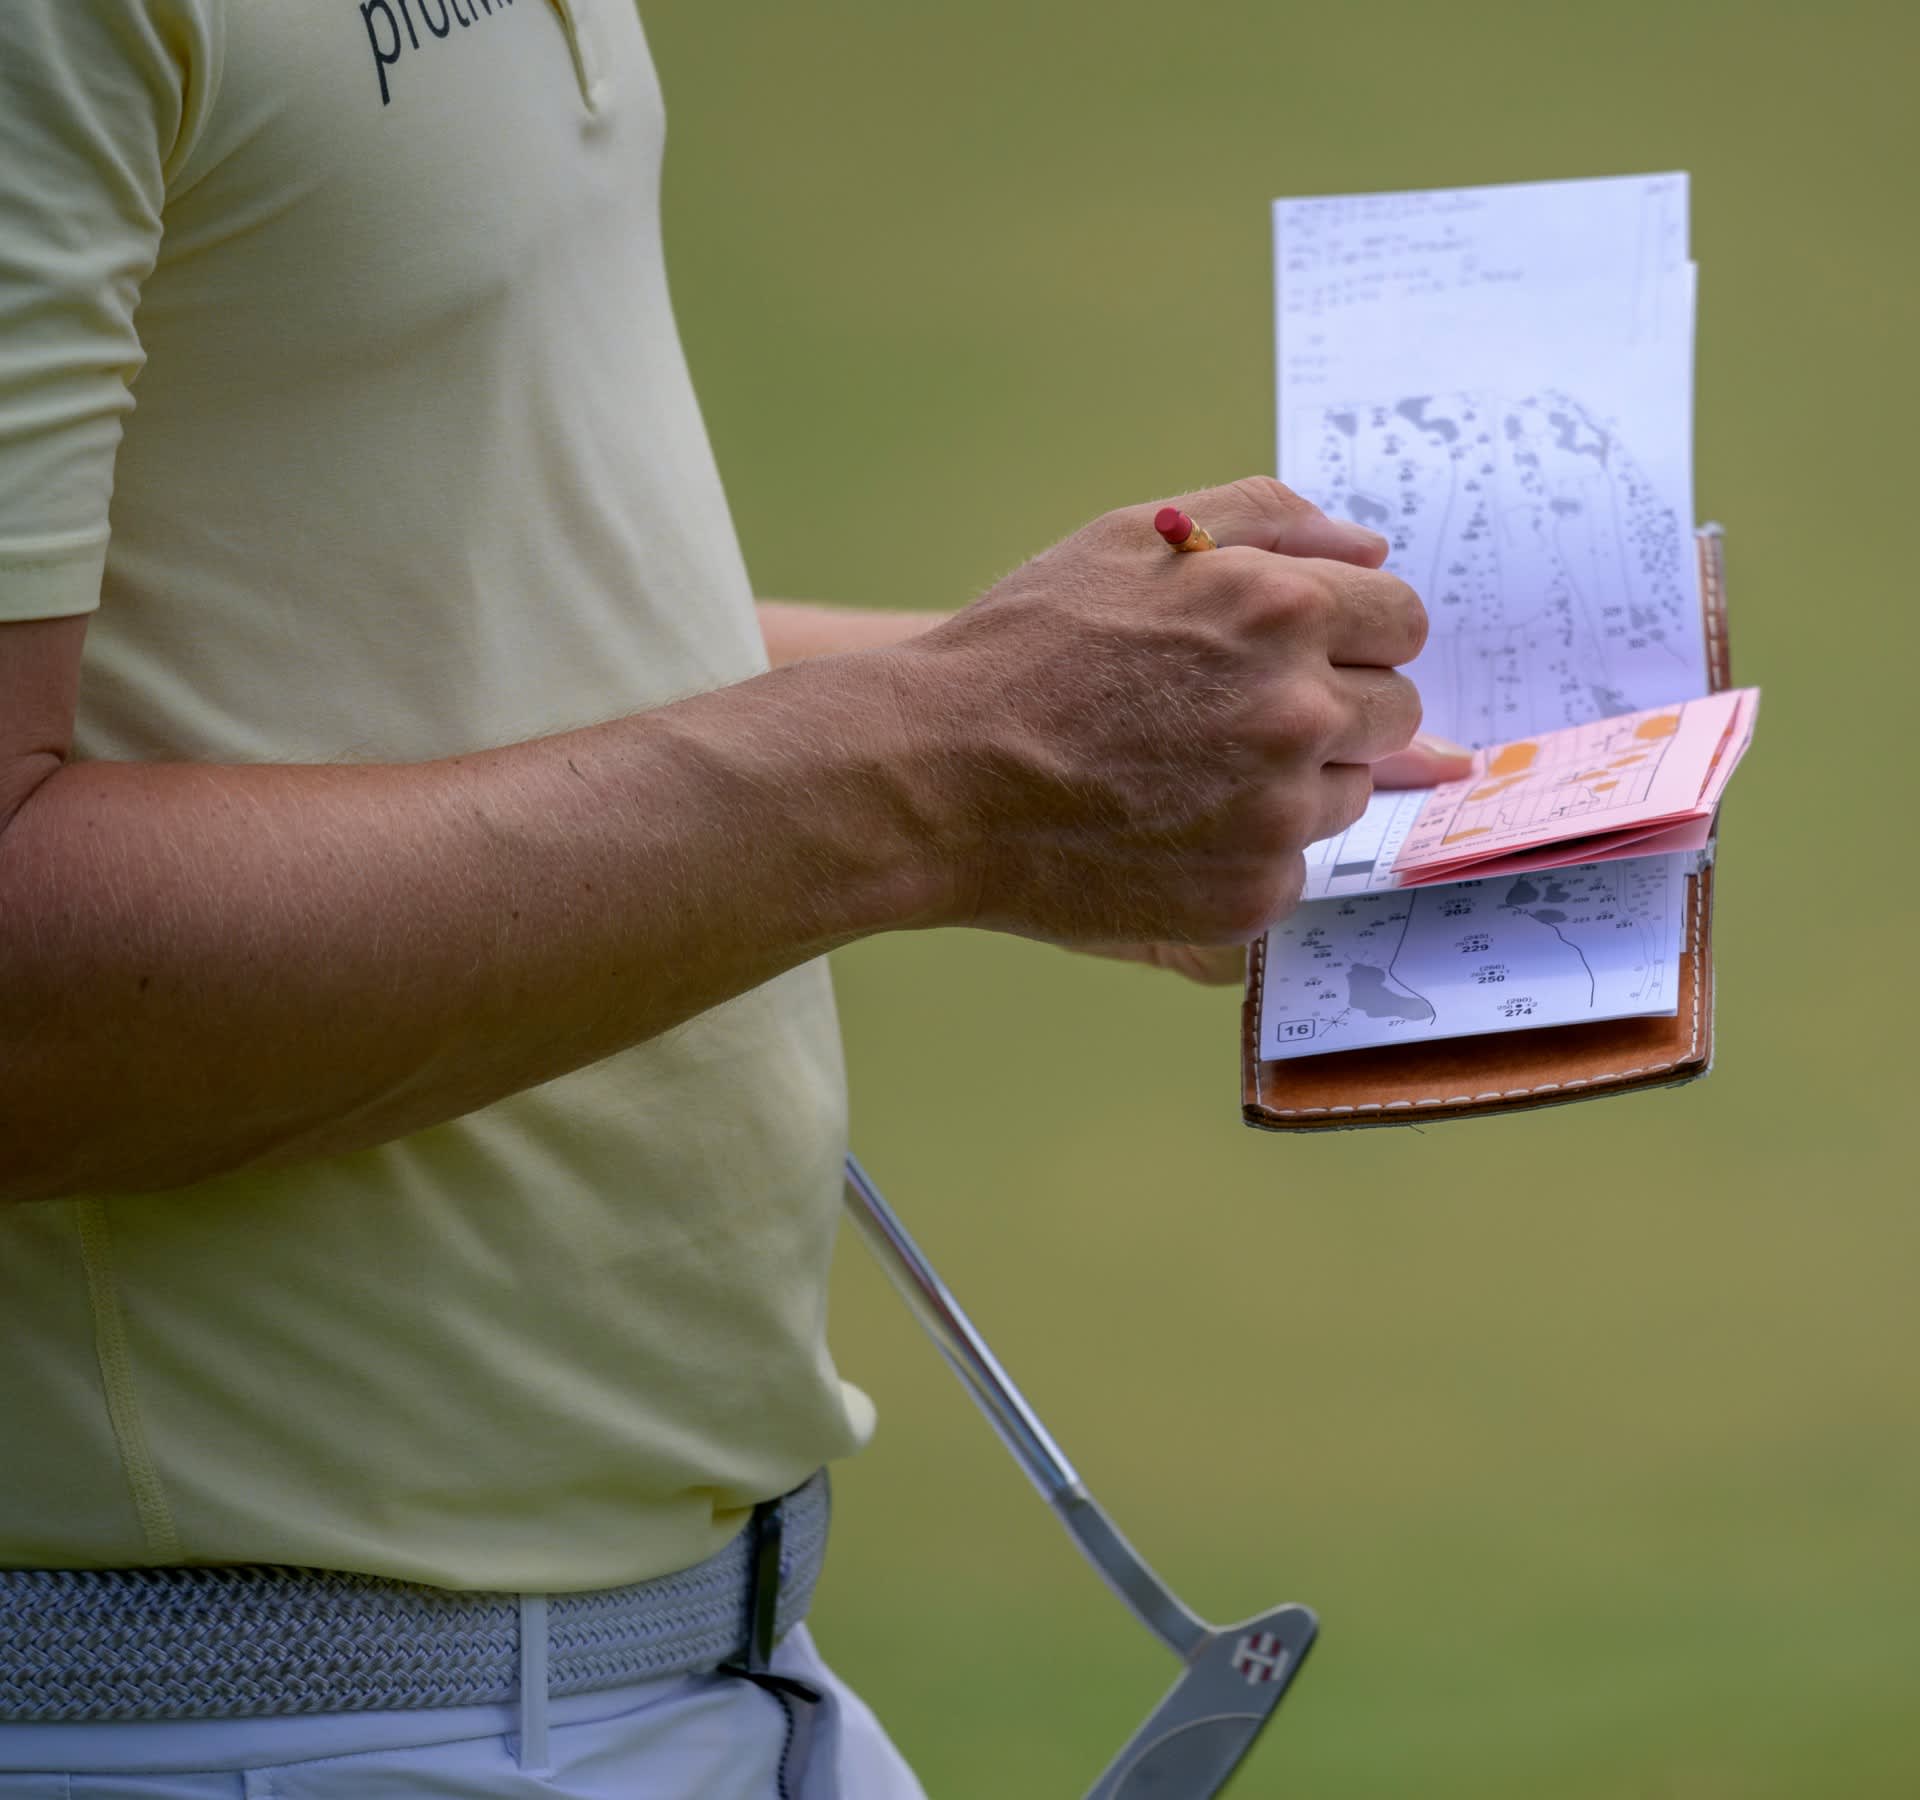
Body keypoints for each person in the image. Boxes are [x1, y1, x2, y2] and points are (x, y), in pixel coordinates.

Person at [0, 2, 1466, 1793]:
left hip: (704, 1670)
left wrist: (1101, 723)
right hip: (230, 1731)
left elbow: (410, 625)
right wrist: (947, 760)